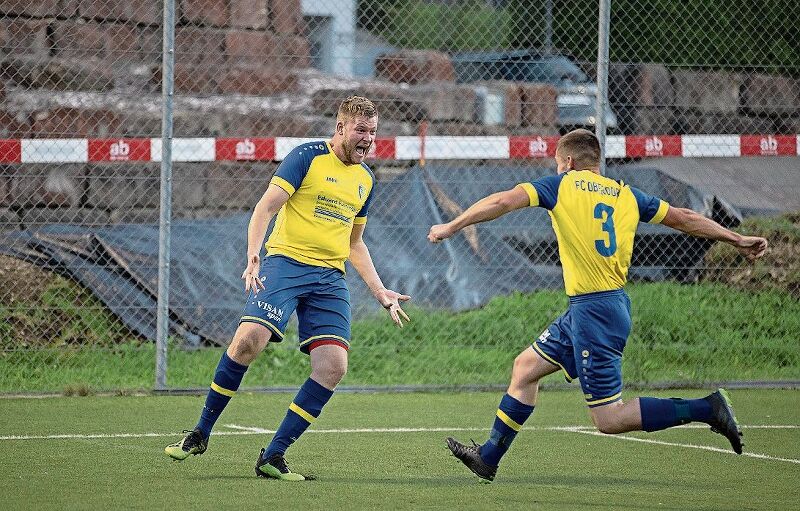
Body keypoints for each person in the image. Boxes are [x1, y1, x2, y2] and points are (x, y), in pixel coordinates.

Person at [427, 128, 768, 482]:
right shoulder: (626, 194)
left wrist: (453, 225)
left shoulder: (561, 186)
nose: (557, 169)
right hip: (592, 308)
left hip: (596, 313)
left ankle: (707, 408)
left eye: (559, 163)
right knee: (525, 368)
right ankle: (488, 458)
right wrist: (736, 237)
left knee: (609, 419)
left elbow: (501, 202)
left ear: (569, 162)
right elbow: (684, 217)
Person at [165, 96, 410, 481]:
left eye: (373, 132)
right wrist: (253, 255)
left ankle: (273, 456)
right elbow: (265, 207)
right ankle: (200, 433)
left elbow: (354, 242)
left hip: (329, 279)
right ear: (341, 128)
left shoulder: (366, 180)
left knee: (333, 367)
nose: (368, 139)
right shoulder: (307, 157)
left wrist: (379, 290)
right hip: (285, 264)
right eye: (361, 131)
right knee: (249, 340)